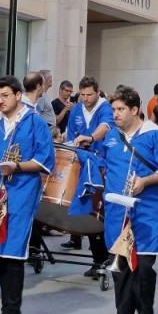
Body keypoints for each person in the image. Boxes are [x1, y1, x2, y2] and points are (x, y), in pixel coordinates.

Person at [0, 76, 55, 314]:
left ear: (18, 95)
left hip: (20, 193)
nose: (0, 100)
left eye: (5, 95)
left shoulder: (34, 122)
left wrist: (16, 167)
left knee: (13, 251)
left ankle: (14, 313)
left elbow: (45, 160)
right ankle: (5, 312)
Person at [100, 86, 158, 314]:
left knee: (143, 269)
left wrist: (145, 181)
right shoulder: (111, 136)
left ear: (135, 110)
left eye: (121, 109)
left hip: (145, 212)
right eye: (113, 109)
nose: (115, 114)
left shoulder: (155, 135)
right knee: (120, 271)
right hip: (116, 214)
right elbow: (104, 165)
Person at [63, 76, 114, 276]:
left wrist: (91, 137)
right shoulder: (76, 109)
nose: (85, 98)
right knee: (87, 208)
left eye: (89, 95)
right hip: (83, 163)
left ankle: (104, 257)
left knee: (99, 211)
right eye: (82, 94)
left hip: (102, 164)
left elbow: (105, 127)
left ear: (97, 92)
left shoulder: (106, 108)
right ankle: (97, 258)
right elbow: (71, 136)